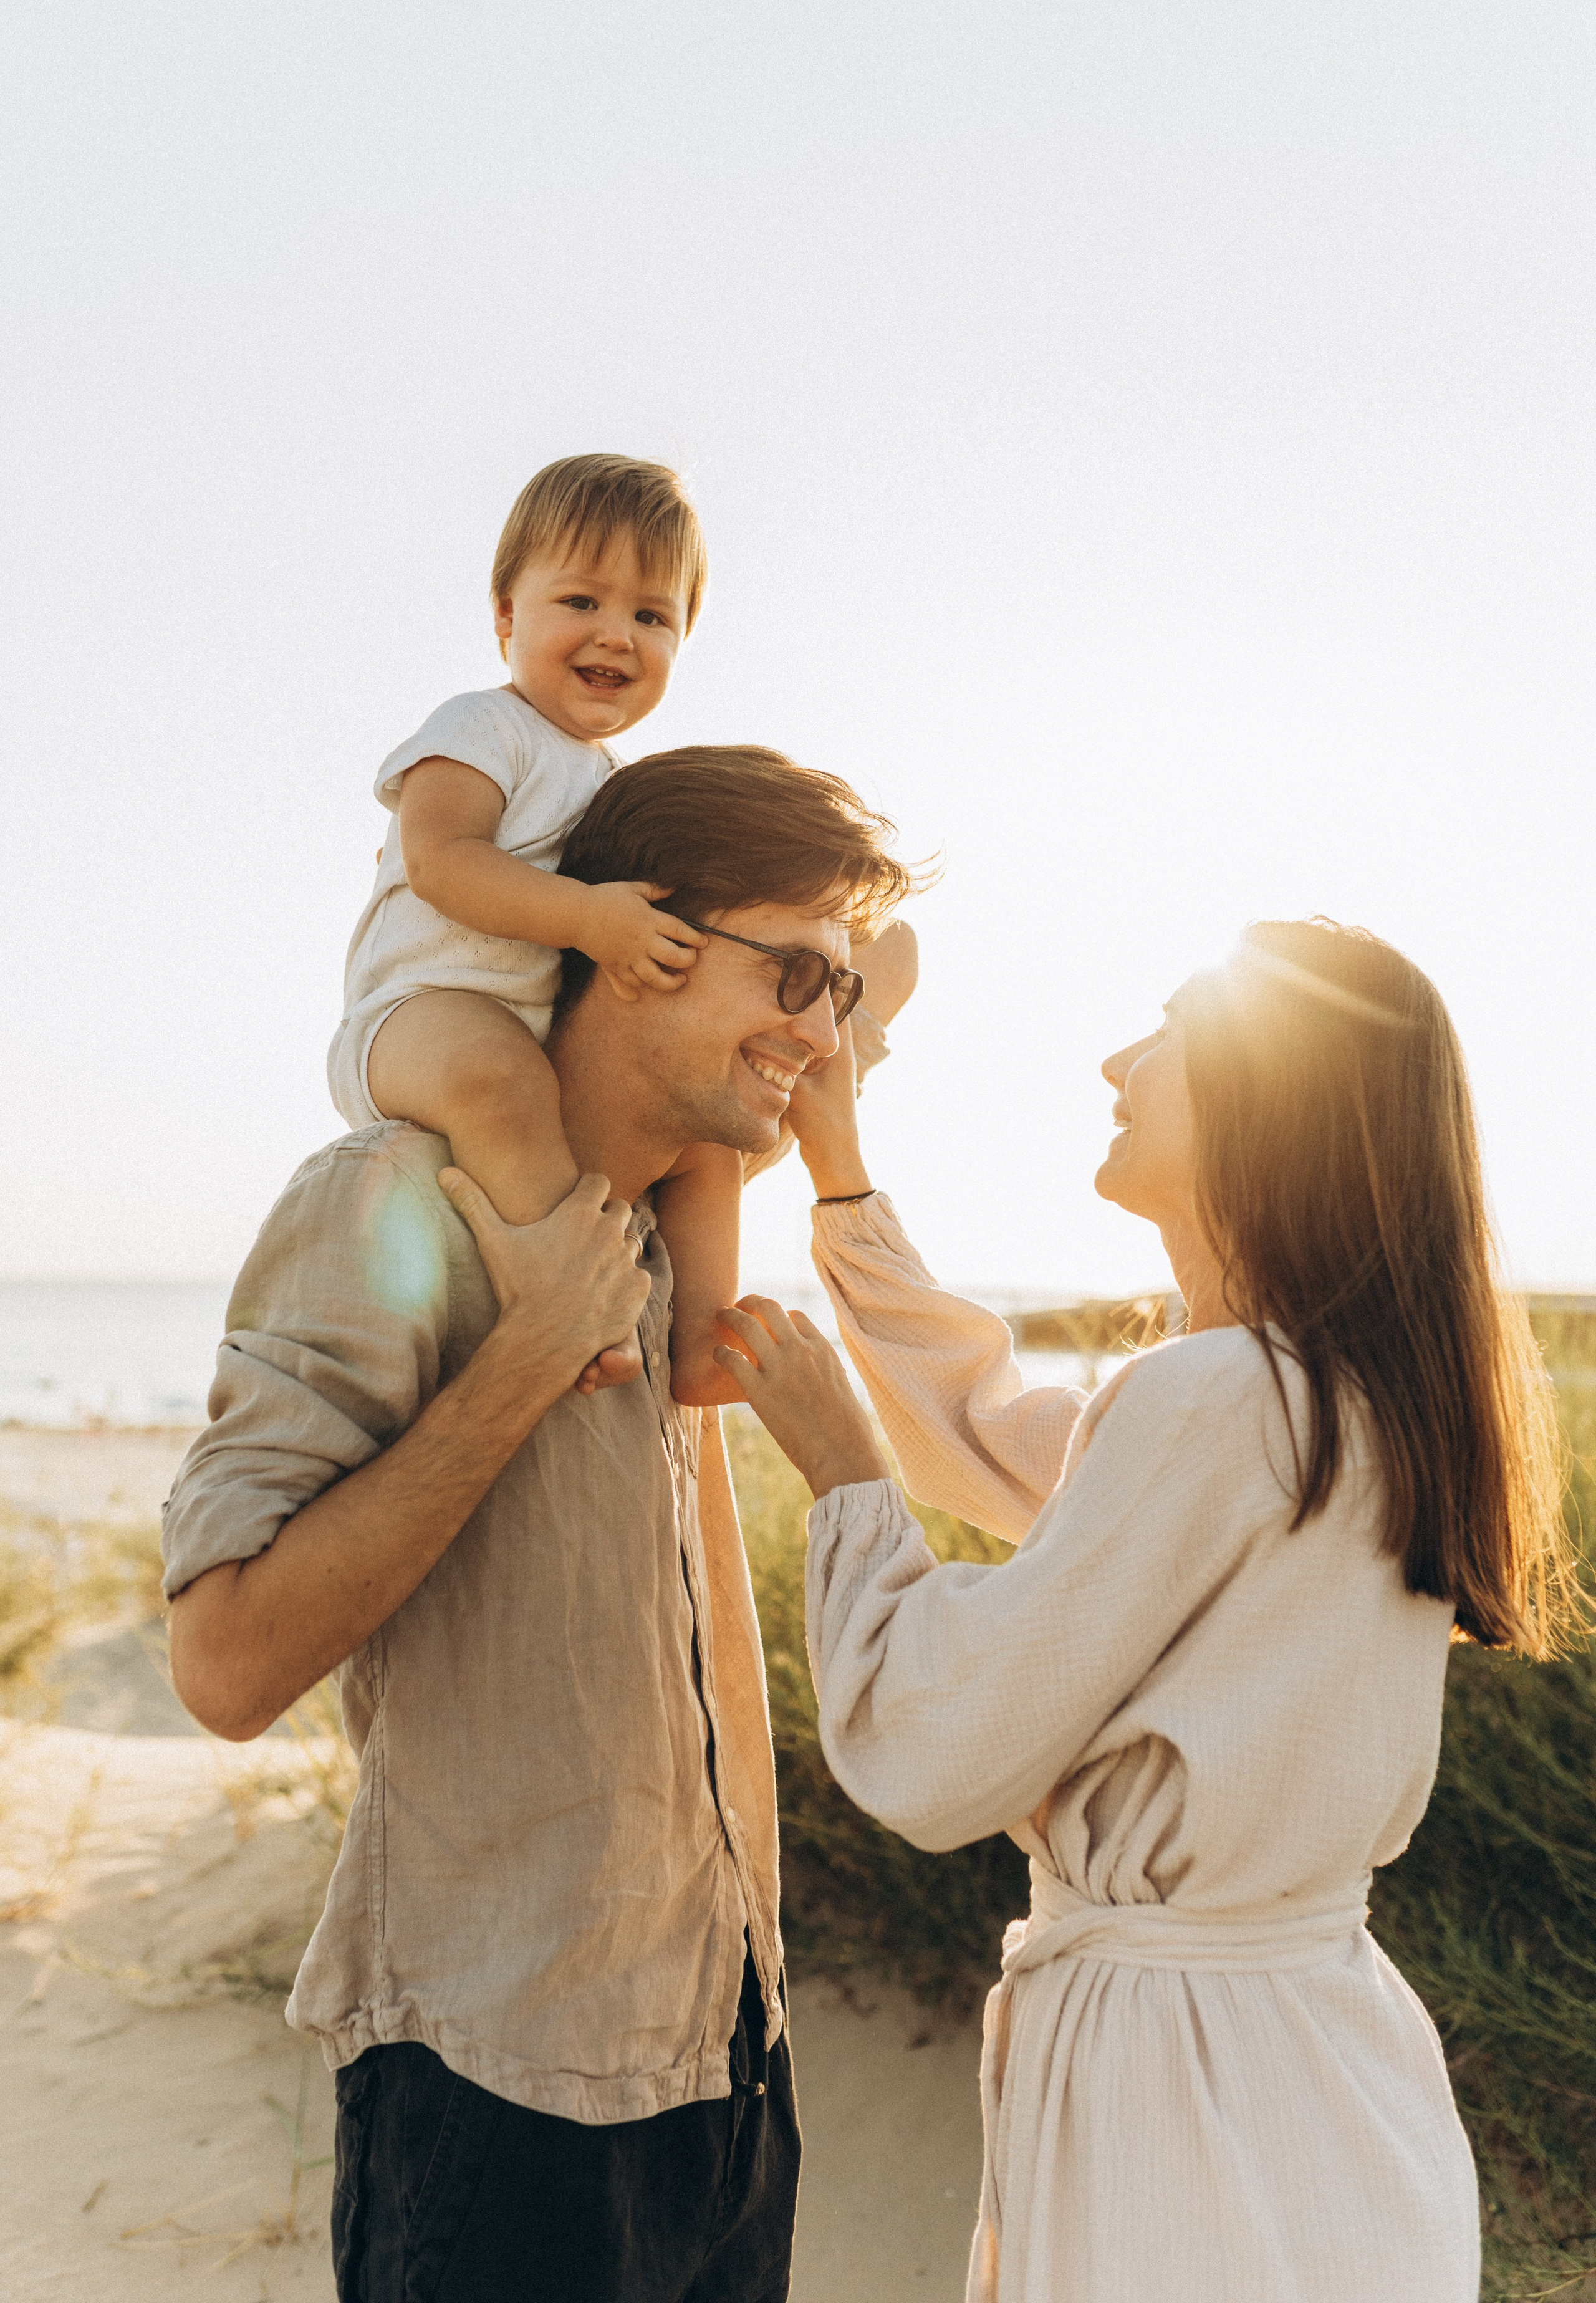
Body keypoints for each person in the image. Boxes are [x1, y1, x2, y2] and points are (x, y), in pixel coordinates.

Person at [714, 918, 1578, 2303]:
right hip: (1322, 2066)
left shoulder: (1218, 1399)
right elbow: (995, 1433)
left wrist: (843, 1482)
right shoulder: (1341, 1402)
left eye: (1170, 1029)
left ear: (1271, 1094)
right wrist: (838, 1170)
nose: (1121, 1059)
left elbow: (937, 1744)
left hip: (1187, 2097)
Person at [163, 743, 918, 2303]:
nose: (819, 1031)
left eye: (839, 994)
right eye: (790, 974)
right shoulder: (392, 1202)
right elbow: (223, 1666)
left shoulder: (682, 1261)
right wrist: (519, 1361)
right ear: (629, 940)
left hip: (729, 2077)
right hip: (494, 2098)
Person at [329, 452, 739, 1402]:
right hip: (418, 1018)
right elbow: (444, 862)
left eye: (652, 616)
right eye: (582, 602)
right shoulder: (483, 727)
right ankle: (559, 1304)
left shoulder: (618, 786)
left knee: (708, 1135)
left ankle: (703, 1338)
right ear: (508, 615)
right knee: (499, 1076)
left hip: (540, 1044)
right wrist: (592, 917)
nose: (616, 635)